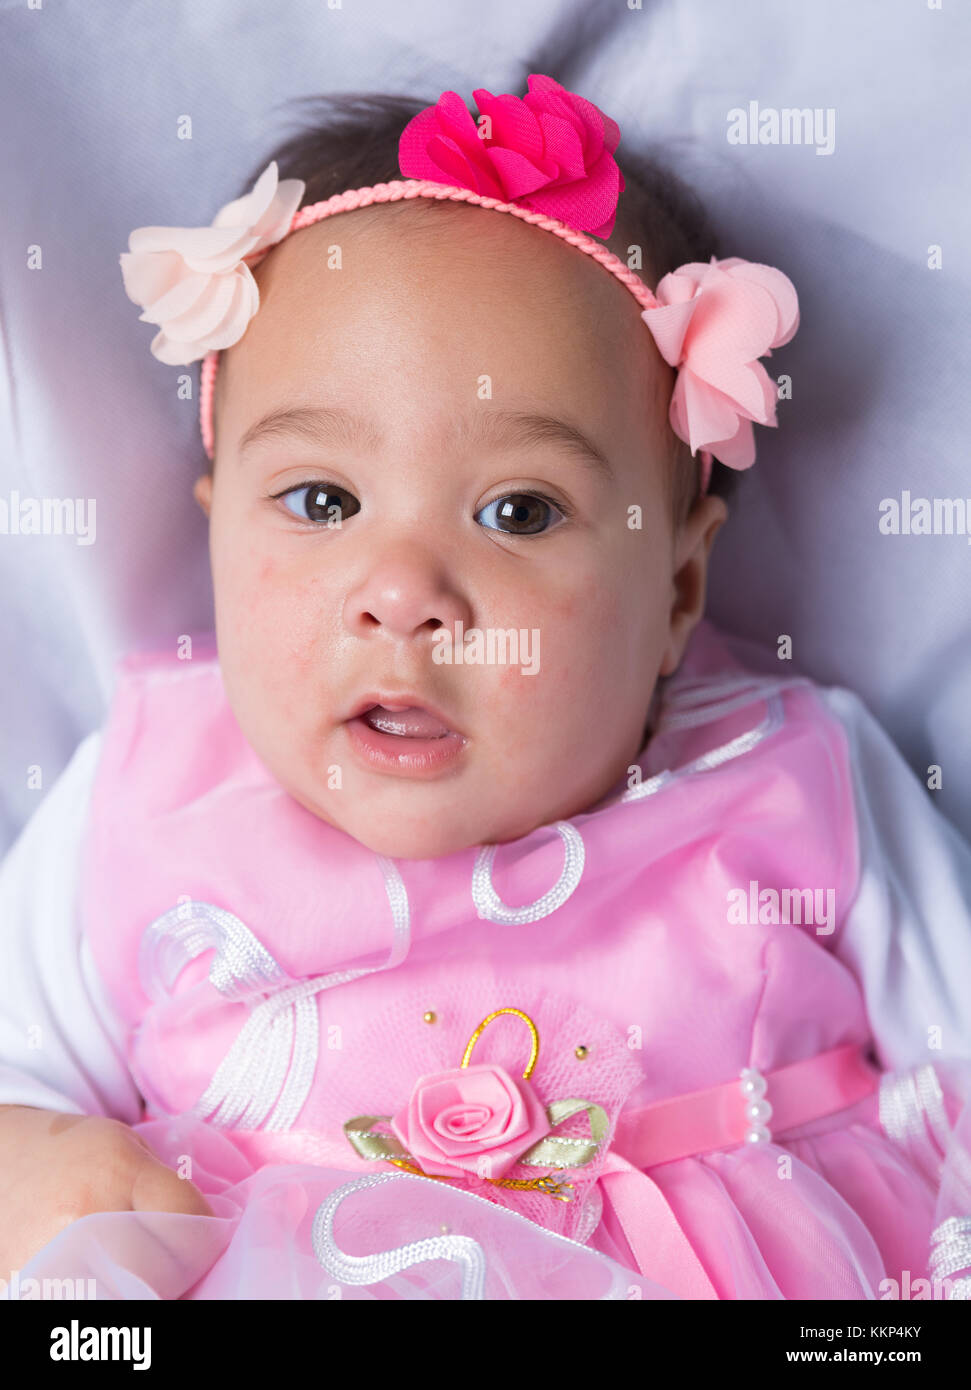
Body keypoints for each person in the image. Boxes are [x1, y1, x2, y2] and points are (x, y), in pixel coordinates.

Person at [0, 73, 968, 1301]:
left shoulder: (785, 776)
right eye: (321, 502)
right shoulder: (147, 795)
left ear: (675, 592)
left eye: (517, 511)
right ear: (215, 543)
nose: (401, 591)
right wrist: (36, 1167)